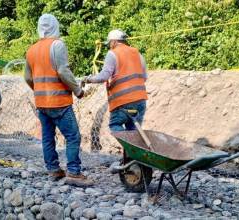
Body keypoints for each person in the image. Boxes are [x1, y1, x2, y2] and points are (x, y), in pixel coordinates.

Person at [25, 14, 92, 186]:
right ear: (56, 26)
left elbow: (27, 77)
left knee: (48, 138)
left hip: (41, 103)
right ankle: (74, 172)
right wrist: (78, 90)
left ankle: (54, 170)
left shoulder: (31, 50)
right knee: (73, 136)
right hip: (59, 102)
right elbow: (63, 71)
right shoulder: (57, 45)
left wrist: (38, 90)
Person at [82, 29, 148, 132]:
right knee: (134, 132)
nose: (109, 45)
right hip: (140, 100)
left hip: (122, 102)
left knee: (115, 125)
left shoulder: (112, 54)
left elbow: (103, 76)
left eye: (109, 43)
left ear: (114, 41)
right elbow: (144, 77)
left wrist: (88, 79)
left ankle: (128, 145)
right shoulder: (137, 53)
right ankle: (131, 148)